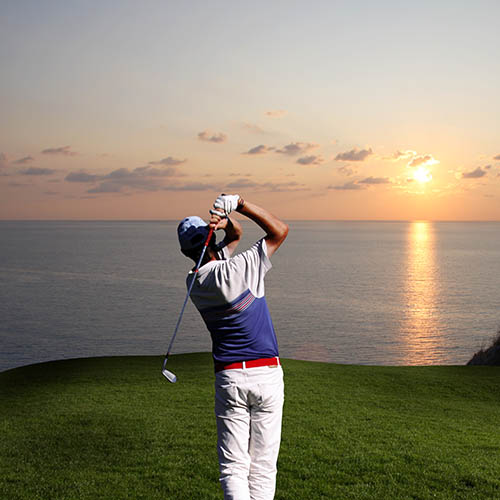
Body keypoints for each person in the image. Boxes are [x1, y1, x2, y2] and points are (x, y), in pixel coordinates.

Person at [177, 194, 289, 500]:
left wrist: (225, 224)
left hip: (229, 378)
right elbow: (279, 230)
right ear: (211, 239)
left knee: (233, 468)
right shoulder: (240, 267)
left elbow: (234, 236)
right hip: (265, 375)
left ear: (185, 251)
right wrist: (239, 205)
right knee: (263, 467)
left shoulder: (194, 283)